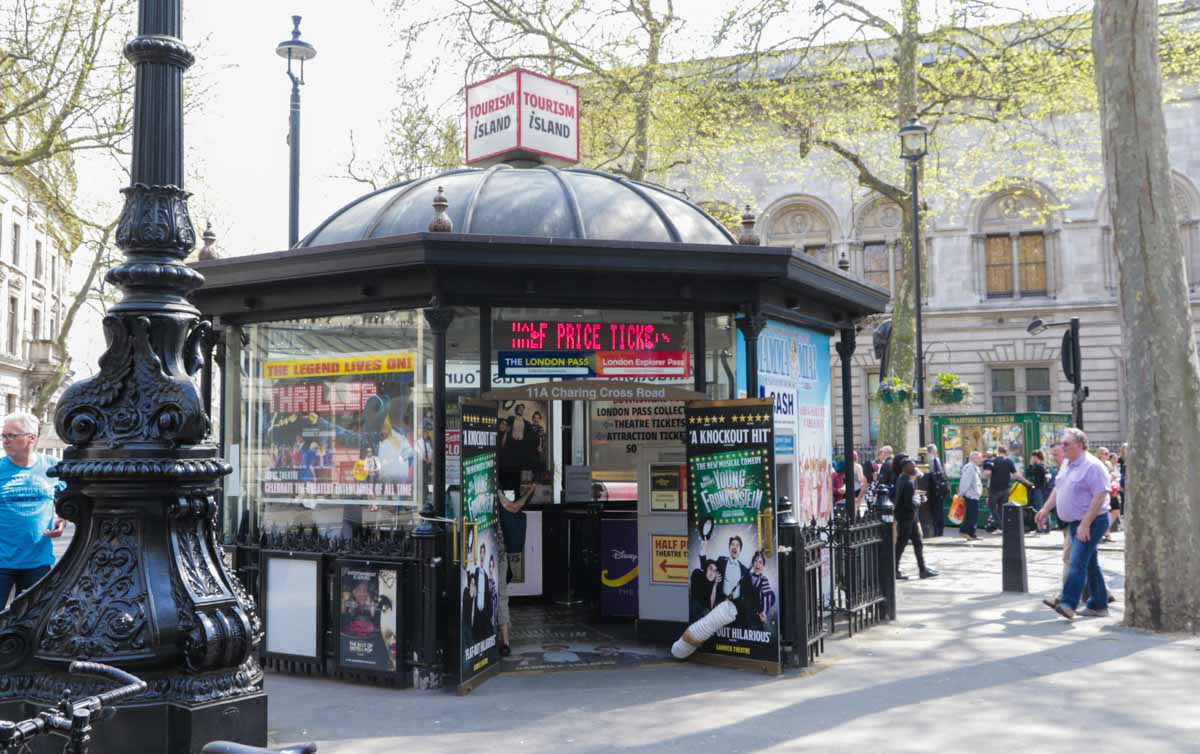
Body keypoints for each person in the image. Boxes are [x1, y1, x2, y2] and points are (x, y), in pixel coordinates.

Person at [1035, 428, 1111, 620]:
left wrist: (1085, 525)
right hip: (1075, 522)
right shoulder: (1067, 464)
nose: (1062, 447)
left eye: (1066, 444)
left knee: (1077, 562)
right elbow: (1058, 489)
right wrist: (1045, 509)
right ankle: (1099, 604)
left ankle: (1068, 603)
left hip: (1092, 521)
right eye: (1062, 443)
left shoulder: (1093, 466)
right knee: (1090, 564)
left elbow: (1100, 496)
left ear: (1079, 444)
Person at [0, 412, 64, 608]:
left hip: (38, 562)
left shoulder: (53, 467)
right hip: (1, 562)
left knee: (33, 623)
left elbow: (67, 501)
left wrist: (62, 519)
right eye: (3, 435)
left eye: (11, 435)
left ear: (31, 438)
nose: (5, 441)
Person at [496, 482, 538, 656]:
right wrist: (529, 492)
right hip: (496, 549)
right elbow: (513, 507)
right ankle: (504, 641)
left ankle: (496, 639)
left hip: (480, 547)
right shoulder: (494, 490)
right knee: (501, 594)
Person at [698, 533, 758, 627]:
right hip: (722, 605)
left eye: (737, 545)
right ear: (729, 548)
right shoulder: (721, 561)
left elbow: (751, 593)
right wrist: (703, 549)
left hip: (738, 608)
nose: (735, 547)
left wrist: (760, 611)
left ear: (740, 550)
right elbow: (705, 567)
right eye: (732, 544)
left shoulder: (745, 570)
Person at [892, 454, 937, 579]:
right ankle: (894, 570)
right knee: (901, 544)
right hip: (906, 518)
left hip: (907, 518)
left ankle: (922, 569)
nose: (915, 467)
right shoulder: (907, 482)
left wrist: (916, 498)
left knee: (918, 542)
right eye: (912, 465)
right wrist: (920, 500)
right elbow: (909, 503)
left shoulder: (903, 479)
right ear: (906, 467)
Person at [983, 446, 1029, 533]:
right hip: (1005, 489)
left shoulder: (993, 461)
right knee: (1002, 508)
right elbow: (1016, 475)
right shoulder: (1009, 462)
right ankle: (1002, 527)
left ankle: (1000, 526)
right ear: (1006, 452)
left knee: (992, 507)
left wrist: (985, 469)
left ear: (998, 451)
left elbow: (987, 474)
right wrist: (1027, 482)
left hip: (994, 489)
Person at [923, 444, 948, 537]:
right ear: (933, 451)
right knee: (938, 510)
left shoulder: (932, 460)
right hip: (937, 490)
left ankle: (937, 530)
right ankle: (939, 530)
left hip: (933, 490)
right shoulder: (934, 460)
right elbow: (940, 474)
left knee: (935, 511)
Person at [958, 451, 983, 540]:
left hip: (974, 495)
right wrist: (961, 493)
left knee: (973, 515)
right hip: (970, 496)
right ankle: (965, 531)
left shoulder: (975, 468)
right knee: (971, 515)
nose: (981, 460)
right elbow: (965, 482)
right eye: (979, 458)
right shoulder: (969, 468)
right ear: (974, 458)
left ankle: (971, 534)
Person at [749, 550, 776, 628]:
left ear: (763, 566)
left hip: (758, 616)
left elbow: (766, 598)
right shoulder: (748, 577)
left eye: (760, 562)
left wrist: (764, 612)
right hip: (747, 615)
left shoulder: (763, 579)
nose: (757, 564)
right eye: (756, 561)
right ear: (752, 564)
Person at [1027, 449, 1050, 533]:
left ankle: (1040, 528)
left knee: (1039, 508)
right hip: (1045, 490)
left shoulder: (1038, 466)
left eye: (1033, 457)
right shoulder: (1045, 465)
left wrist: (1030, 464)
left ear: (1036, 457)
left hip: (1039, 489)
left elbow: (1028, 473)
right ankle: (1046, 528)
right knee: (1045, 508)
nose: (1032, 458)